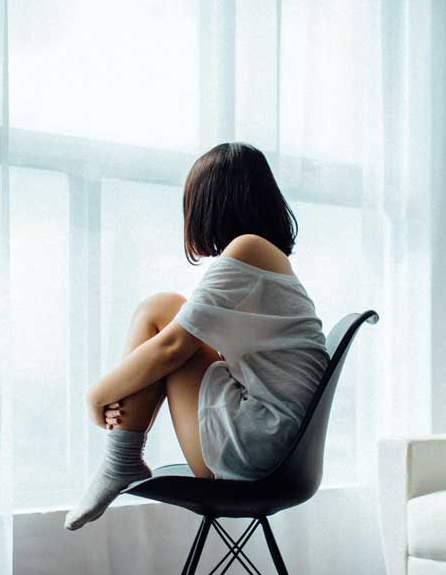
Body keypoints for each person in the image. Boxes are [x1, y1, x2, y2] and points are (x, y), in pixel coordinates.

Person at [64, 142, 329, 530]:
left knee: (160, 311)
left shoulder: (249, 249)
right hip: (276, 447)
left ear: (210, 204)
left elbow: (172, 348)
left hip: (259, 449)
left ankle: (120, 460)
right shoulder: (267, 259)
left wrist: (97, 395)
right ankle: (121, 460)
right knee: (168, 310)